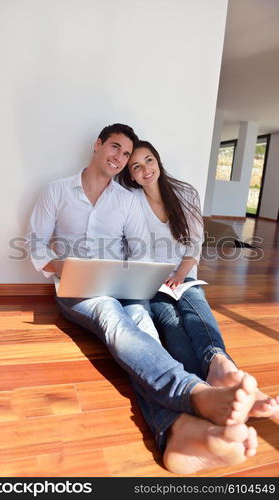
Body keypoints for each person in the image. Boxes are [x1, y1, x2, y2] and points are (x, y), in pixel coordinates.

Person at [26, 124, 259, 474]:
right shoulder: (57, 190)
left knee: (145, 329)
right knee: (111, 317)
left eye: (126, 155)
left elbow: (140, 247)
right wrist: (62, 265)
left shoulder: (127, 198)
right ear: (98, 145)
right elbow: (34, 242)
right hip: (77, 288)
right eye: (115, 148)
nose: (119, 158)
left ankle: (178, 432)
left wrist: (161, 271)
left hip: (120, 282)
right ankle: (193, 391)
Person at [118, 139, 279, 420]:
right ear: (130, 174)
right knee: (170, 322)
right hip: (151, 281)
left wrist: (180, 276)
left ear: (158, 161)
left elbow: (195, 243)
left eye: (149, 160)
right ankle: (218, 389)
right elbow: (134, 249)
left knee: (194, 307)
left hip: (185, 274)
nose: (145, 169)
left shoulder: (184, 192)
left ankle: (220, 365)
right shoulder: (131, 201)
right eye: (136, 166)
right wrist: (157, 279)